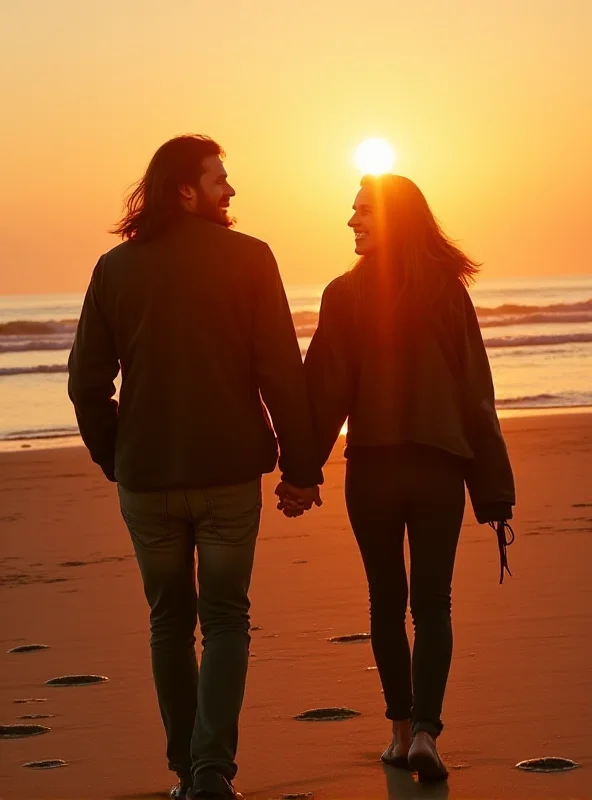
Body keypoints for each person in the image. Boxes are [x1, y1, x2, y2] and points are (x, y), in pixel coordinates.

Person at [68, 135, 322, 800]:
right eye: (219, 179)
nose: (230, 190)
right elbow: (281, 376)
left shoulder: (114, 269)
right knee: (227, 617)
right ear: (185, 189)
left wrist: (115, 455)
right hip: (228, 474)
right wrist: (301, 469)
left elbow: (86, 384)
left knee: (168, 621)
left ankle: (185, 770)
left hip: (147, 479)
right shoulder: (250, 260)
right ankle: (212, 770)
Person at [295, 174, 515, 783]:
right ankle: (427, 734)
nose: (351, 220)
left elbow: (324, 392)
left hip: (372, 472)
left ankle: (397, 730)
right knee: (434, 604)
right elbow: (477, 396)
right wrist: (493, 488)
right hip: (438, 469)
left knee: (386, 605)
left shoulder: (345, 293)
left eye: (363, 211)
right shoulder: (447, 291)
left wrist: (302, 471)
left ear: (392, 219)